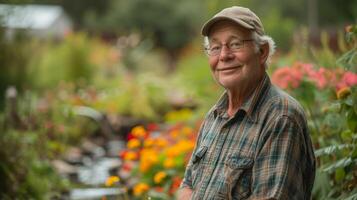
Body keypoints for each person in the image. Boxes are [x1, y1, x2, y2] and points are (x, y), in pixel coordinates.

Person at [178, 6, 316, 200]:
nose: (224, 55)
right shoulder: (216, 114)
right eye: (215, 47)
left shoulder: (280, 116)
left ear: (262, 52)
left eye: (235, 44)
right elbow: (187, 185)